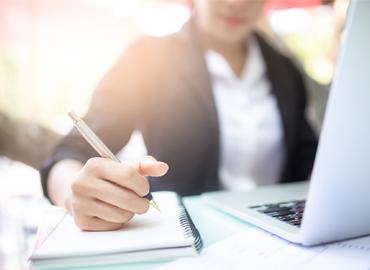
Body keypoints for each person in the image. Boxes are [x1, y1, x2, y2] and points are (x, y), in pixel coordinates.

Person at [41, 0, 318, 231]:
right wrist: (72, 193)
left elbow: (310, 159)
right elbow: (69, 153)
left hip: (278, 236)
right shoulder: (148, 58)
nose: (237, 3)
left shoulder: (284, 68)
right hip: (184, 236)